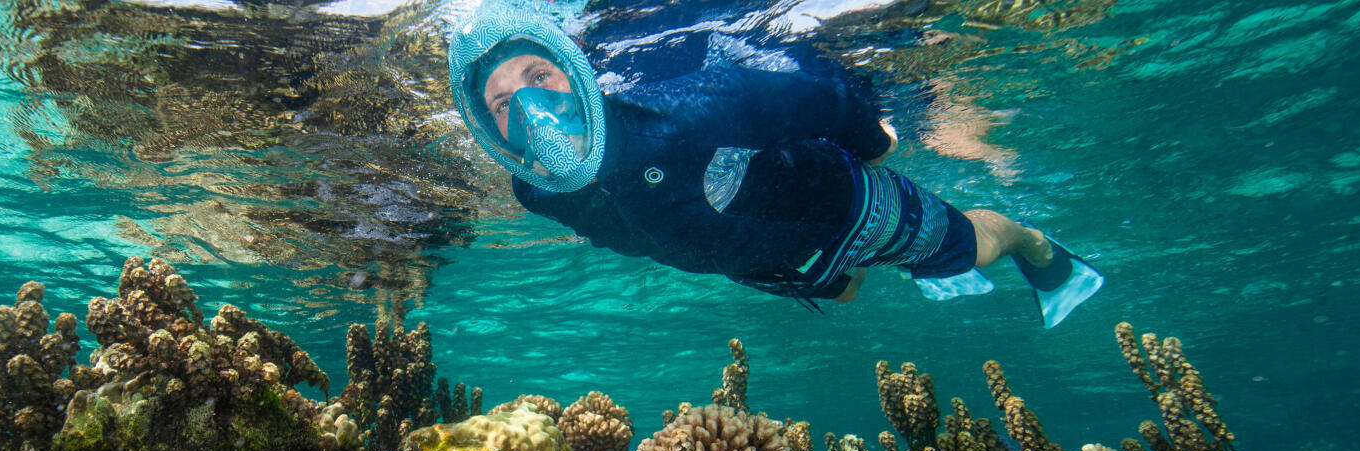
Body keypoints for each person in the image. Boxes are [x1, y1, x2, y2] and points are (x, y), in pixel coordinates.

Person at [445, 3, 1103, 327]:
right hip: (758, 260)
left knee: (958, 251)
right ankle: (878, 270)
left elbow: (802, 92)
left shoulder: (677, 111)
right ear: (488, 124)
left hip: (838, 205)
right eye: (503, 102)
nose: (529, 109)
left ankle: (1031, 244)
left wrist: (873, 142)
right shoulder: (537, 190)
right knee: (847, 292)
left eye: (538, 75)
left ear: (577, 70)